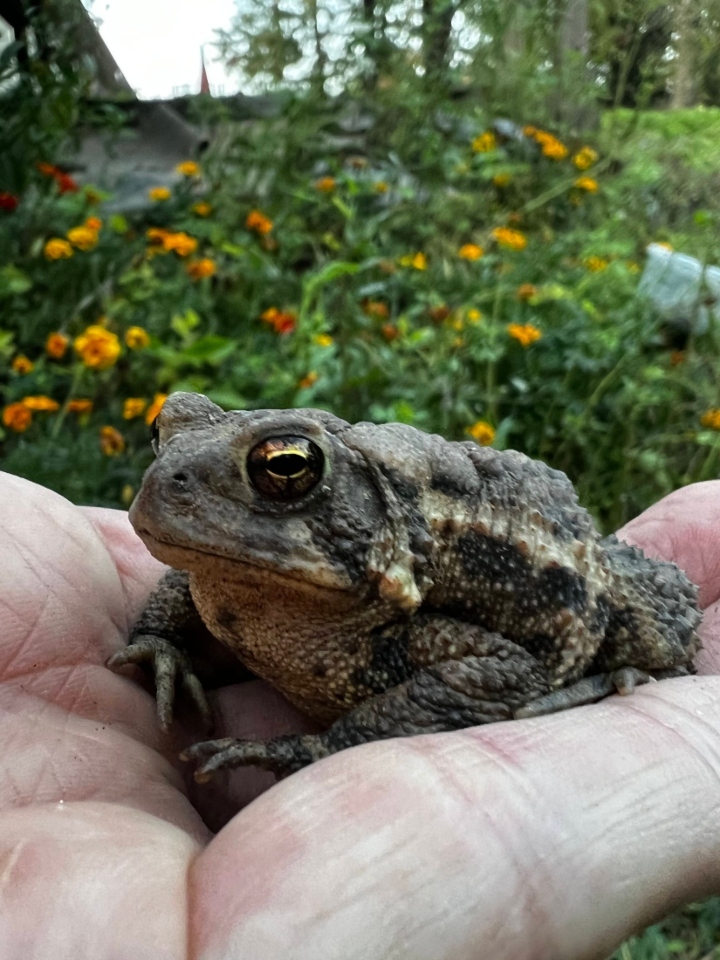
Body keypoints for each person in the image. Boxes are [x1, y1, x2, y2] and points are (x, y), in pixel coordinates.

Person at [1, 470, 720, 959]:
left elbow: (512, 666)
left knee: (649, 628)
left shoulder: (397, 616)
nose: (174, 481)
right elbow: (193, 576)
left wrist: (333, 745)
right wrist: (157, 639)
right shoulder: (233, 573)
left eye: (280, 472)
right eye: (167, 443)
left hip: (547, 574)